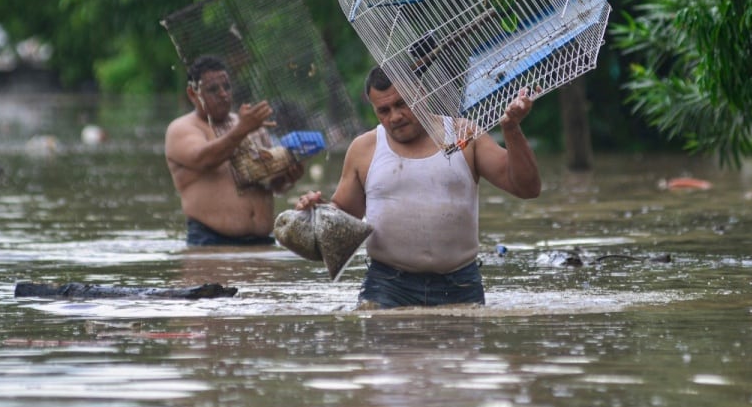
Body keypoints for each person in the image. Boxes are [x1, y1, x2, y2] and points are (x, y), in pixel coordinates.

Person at [295, 66, 541, 307]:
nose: (395, 117)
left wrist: (511, 130)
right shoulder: (364, 148)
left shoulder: (463, 135)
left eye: (402, 104)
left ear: (422, 94)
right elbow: (344, 215)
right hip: (388, 285)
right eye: (383, 110)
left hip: (460, 283)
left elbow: (527, 188)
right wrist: (317, 211)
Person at [165, 55, 303, 246]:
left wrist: (287, 178)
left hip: (263, 242)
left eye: (226, 87)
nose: (223, 94)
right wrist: (242, 130)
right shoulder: (183, 128)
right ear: (192, 94)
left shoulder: (250, 124)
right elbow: (204, 159)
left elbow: (272, 185)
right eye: (213, 89)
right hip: (210, 243)